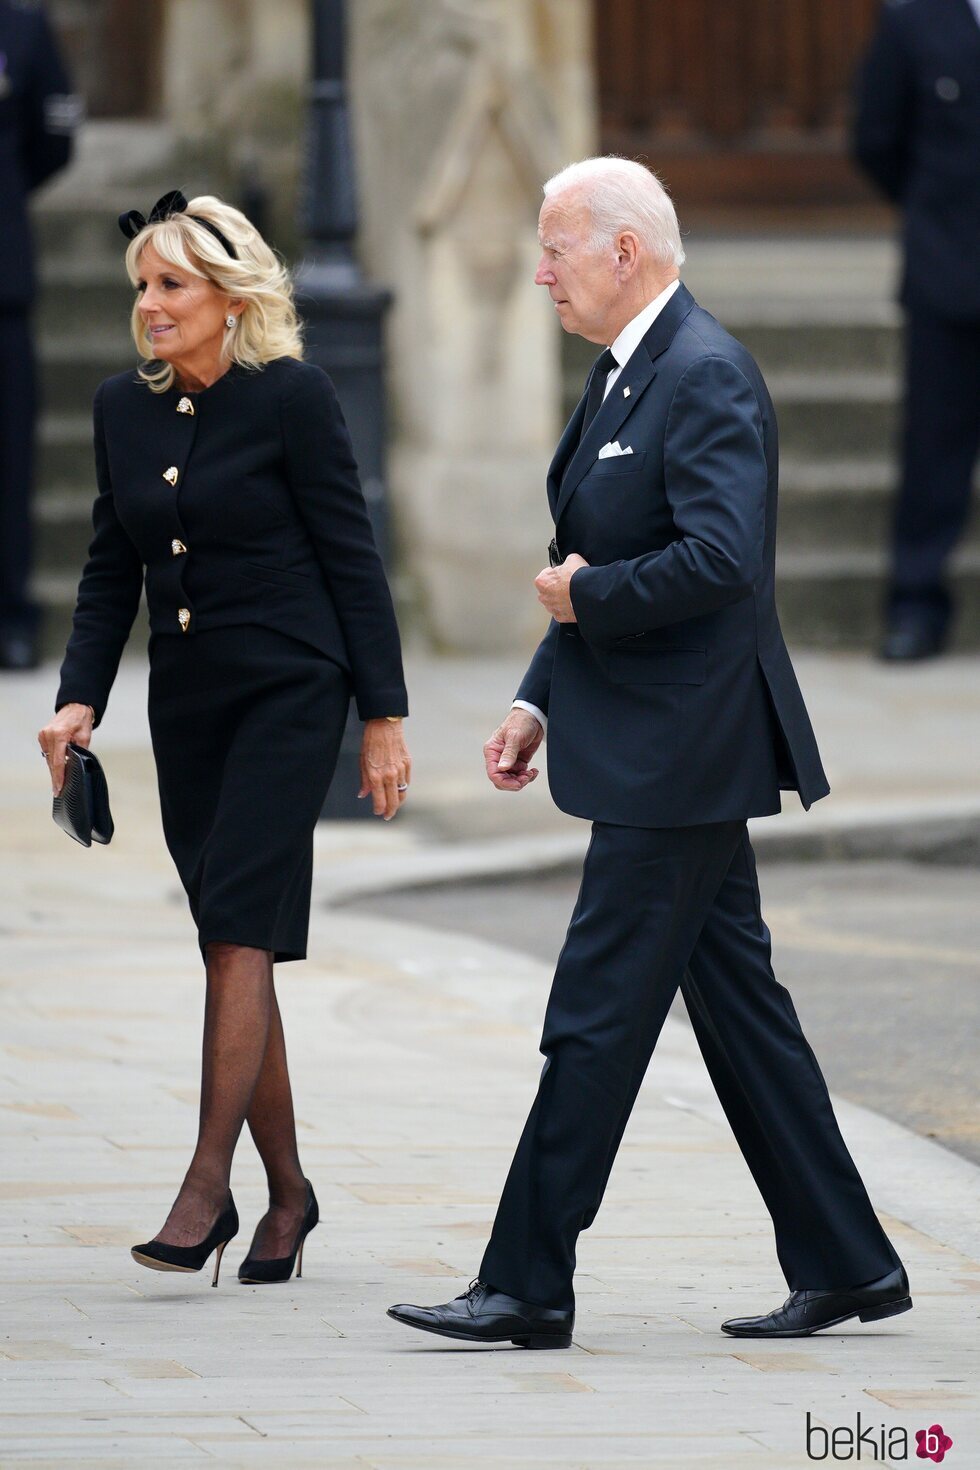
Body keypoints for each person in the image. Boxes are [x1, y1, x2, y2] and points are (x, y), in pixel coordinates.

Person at [388, 158, 910, 1349]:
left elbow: (720, 561)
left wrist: (583, 608)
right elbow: (586, 558)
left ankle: (526, 1283)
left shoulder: (707, 372)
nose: (539, 271)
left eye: (556, 248)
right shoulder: (626, 372)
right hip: (653, 738)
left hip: (683, 749)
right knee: (739, 1015)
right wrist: (538, 696)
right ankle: (849, 1259)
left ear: (623, 251)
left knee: (591, 1018)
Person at [37, 190, 410, 1288]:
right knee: (227, 943)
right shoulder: (124, 408)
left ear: (229, 296)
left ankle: (208, 1187)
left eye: (171, 286)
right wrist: (77, 699)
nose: (149, 306)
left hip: (292, 691)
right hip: (189, 705)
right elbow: (113, 570)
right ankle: (290, 1195)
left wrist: (380, 718)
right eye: (142, 288)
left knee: (241, 928)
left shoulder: (292, 398)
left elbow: (354, 557)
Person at [853, 0, 980, 660]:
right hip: (948, 274)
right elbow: (876, 139)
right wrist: (941, 215)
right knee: (934, 450)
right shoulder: (913, 22)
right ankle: (915, 605)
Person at [0, 0, 79, 669]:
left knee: (8, 461)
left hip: (2, 284)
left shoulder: (21, 28)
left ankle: (10, 618)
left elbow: (54, 139)